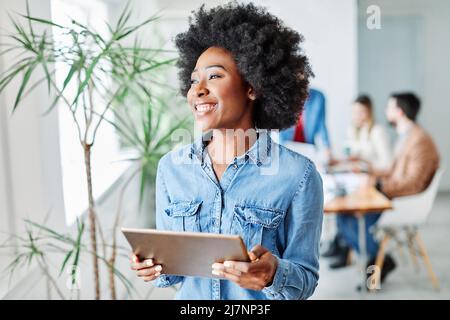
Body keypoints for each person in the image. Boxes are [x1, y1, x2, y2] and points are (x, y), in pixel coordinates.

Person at [130, 3, 323, 300]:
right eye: (194, 80)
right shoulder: (172, 168)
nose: (198, 90)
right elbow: (171, 276)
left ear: (253, 87)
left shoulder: (298, 175)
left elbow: (305, 280)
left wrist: (272, 274)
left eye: (215, 76)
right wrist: (154, 268)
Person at [331, 92, 440, 287]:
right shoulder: (407, 135)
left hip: (404, 202)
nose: (385, 111)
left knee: (351, 217)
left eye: (389, 107)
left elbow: (413, 183)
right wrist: (370, 173)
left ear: (399, 111)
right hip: (394, 195)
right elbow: (392, 171)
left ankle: (379, 260)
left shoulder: (419, 141)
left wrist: (379, 185)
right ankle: (377, 259)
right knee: (343, 216)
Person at [324, 95, 392, 265]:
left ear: (369, 112)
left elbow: (386, 165)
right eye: (354, 112)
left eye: (361, 112)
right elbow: (351, 156)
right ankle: (346, 249)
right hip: (357, 182)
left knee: (348, 220)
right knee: (341, 213)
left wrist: (366, 163)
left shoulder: (377, 131)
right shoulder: (353, 130)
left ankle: (379, 259)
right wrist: (341, 161)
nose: (357, 116)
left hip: (374, 186)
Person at [279, 88, 334, 163]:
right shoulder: (282, 97)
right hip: (286, 148)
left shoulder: (318, 97)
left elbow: (321, 126)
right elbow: (278, 129)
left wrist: (327, 147)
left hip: (309, 149)